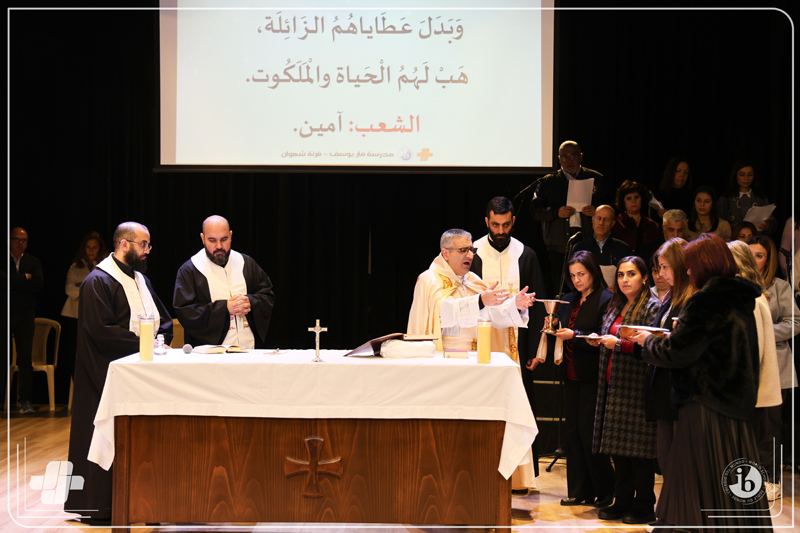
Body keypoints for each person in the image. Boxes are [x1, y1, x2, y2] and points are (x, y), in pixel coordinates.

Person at [630, 234, 772, 531]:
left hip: (705, 406)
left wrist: (646, 343)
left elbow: (678, 352)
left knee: (697, 480)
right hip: (735, 405)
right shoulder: (743, 298)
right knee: (733, 480)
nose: (688, 271)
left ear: (704, 265)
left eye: (691, 265)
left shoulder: (706, 300)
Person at [407, 228, 537, 492]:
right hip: (445, 365)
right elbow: (442, 314)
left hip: (477, 365)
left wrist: (514, 305)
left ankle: (482, 478)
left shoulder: (473, 281)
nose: (470, 255)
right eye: (463, 250)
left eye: (471, 250)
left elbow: (493, 315)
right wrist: (480, 301)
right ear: (445, 253)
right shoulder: (429, 280)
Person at [65, 222, 173, 525]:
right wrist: (146, 340)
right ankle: (99, 507)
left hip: (140, 374)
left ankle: (142, 502)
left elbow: (163, 321)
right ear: (124, 244)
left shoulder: (141, 279)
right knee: (103, 437)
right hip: (106, 374)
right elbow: (100, 331)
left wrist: (158, 339)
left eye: (148, 244)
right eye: (143, 244)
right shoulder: (97, 281)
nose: (147, 250)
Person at [470, 196, 547, 483]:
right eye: (495, 225)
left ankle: (520, 477)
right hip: (481, 339)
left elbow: (537, 303)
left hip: (517, 343)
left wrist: (536, 349)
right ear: (486, 222)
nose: (501, 231)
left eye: (505, 225)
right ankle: (481, 473)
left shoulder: (525, 254)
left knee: (520, 403)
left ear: (513, 221)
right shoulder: (473, 253)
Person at [585, 256, 660, 524]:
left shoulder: (652, 306)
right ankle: (623, 500)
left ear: (644, 278)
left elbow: (649, 345)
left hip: (636, 385)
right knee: (619, 450)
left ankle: (644, 505)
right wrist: (599, 340)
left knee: (639, 452)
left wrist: (616, 344)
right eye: (620, 275)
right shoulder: (616, 303)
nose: (625, 280)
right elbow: (611, 335)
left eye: (631, 274)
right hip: (612, 385)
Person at [548, 251, 614, 508]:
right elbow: (562, 328)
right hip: (570, 372)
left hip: (592, 375)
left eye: (581, 274)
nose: (576, 280)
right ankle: (578, 491)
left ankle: (604, 491)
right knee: (573, 433)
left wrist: (573, 335)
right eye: (572, 275)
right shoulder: (568, 299)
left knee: (590, 434)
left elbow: (601, 336)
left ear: (593, 273)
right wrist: (553, 325)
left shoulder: (605, 299)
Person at [634, 239, 692, 488]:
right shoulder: (672, 296)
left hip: (679, 387)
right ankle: (671, 507)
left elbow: (683, 344)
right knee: (665, 456)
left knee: (679, 460)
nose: (661, 274)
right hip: (663, 385)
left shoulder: (691, 298)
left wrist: (650, 340)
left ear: (680, 265)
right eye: (658, 268)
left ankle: (681, 509)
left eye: (665, 267)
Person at [728, 240, 783, 501]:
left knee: (759, 439)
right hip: (751, 384)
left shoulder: (752, 298)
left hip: (755, 384)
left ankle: (758, 488)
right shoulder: (744, 295)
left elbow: (754, 347)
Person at [748, 234, 799, 500]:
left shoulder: (780, 286)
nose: (754, 260)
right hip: (745, 368)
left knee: (770, 429)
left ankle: (771, 479)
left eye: (759, 255)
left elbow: (794, 323)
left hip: (775, 367)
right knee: (747, 428)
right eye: (750, 254)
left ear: (768, 260)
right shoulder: (736, 286)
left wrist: (762, 331)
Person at [174, 215, 275, 348]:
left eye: (224, 239)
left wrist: (250, 302)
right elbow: (186, 312)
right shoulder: (190, 270)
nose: (219, 246)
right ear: (203, 239)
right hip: (209, 354)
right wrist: (225, 308)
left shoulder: (246, 263)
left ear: (231, 236)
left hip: (249, 349)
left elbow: (267, 295)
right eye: (212, 240)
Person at [529, 140, 613, 295]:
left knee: (590, 285)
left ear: (581, 157)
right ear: (559, 159)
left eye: (573, 156)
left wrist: (596, 211)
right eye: (565, 157)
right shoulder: (548, 181)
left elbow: (611, 207)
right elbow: (535, 211)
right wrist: (556, 212)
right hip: (558, 245)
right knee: (561, 288)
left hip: (589, 240)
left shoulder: (596, 178)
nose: (569, 160)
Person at [60, 231, 108, 398]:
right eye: (88, 247)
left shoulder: (104, 266)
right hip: (73, 315)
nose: (91, 251)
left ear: (99, 249)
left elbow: (103, 290)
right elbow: (69, 289)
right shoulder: (75, 267)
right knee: (73, 353)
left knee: (94, 352)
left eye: (94, 248)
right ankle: (77, 391)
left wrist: (82, 286)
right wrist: (88, 289)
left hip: (95, 315)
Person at [9, 227, 43, 414]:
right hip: (4, 313)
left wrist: (13, 282)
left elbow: (37, 284)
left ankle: (25, 401)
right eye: (16, 239)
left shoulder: (33, 261)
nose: (20, 243)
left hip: (25, 315)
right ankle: (3, 401)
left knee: (25, 358)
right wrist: (24, 277)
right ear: (9, 240)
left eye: (23, 240)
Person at [610, 180, 661, 264]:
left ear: (642, 199)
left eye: (636, 197)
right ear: (623, 201)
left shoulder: (653, 226)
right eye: (629, 198)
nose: (633, 201)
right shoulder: (616, 224)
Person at [717, 161, 776, 234]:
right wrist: (733, 227)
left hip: (756, 239)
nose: (746, 178)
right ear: (735, 176)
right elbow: (718, 224)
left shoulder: (761, 199)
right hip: (733, 239)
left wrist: (767, 225)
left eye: (750, 175)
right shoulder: (725, 199)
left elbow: (772, 224)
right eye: (742, 175)